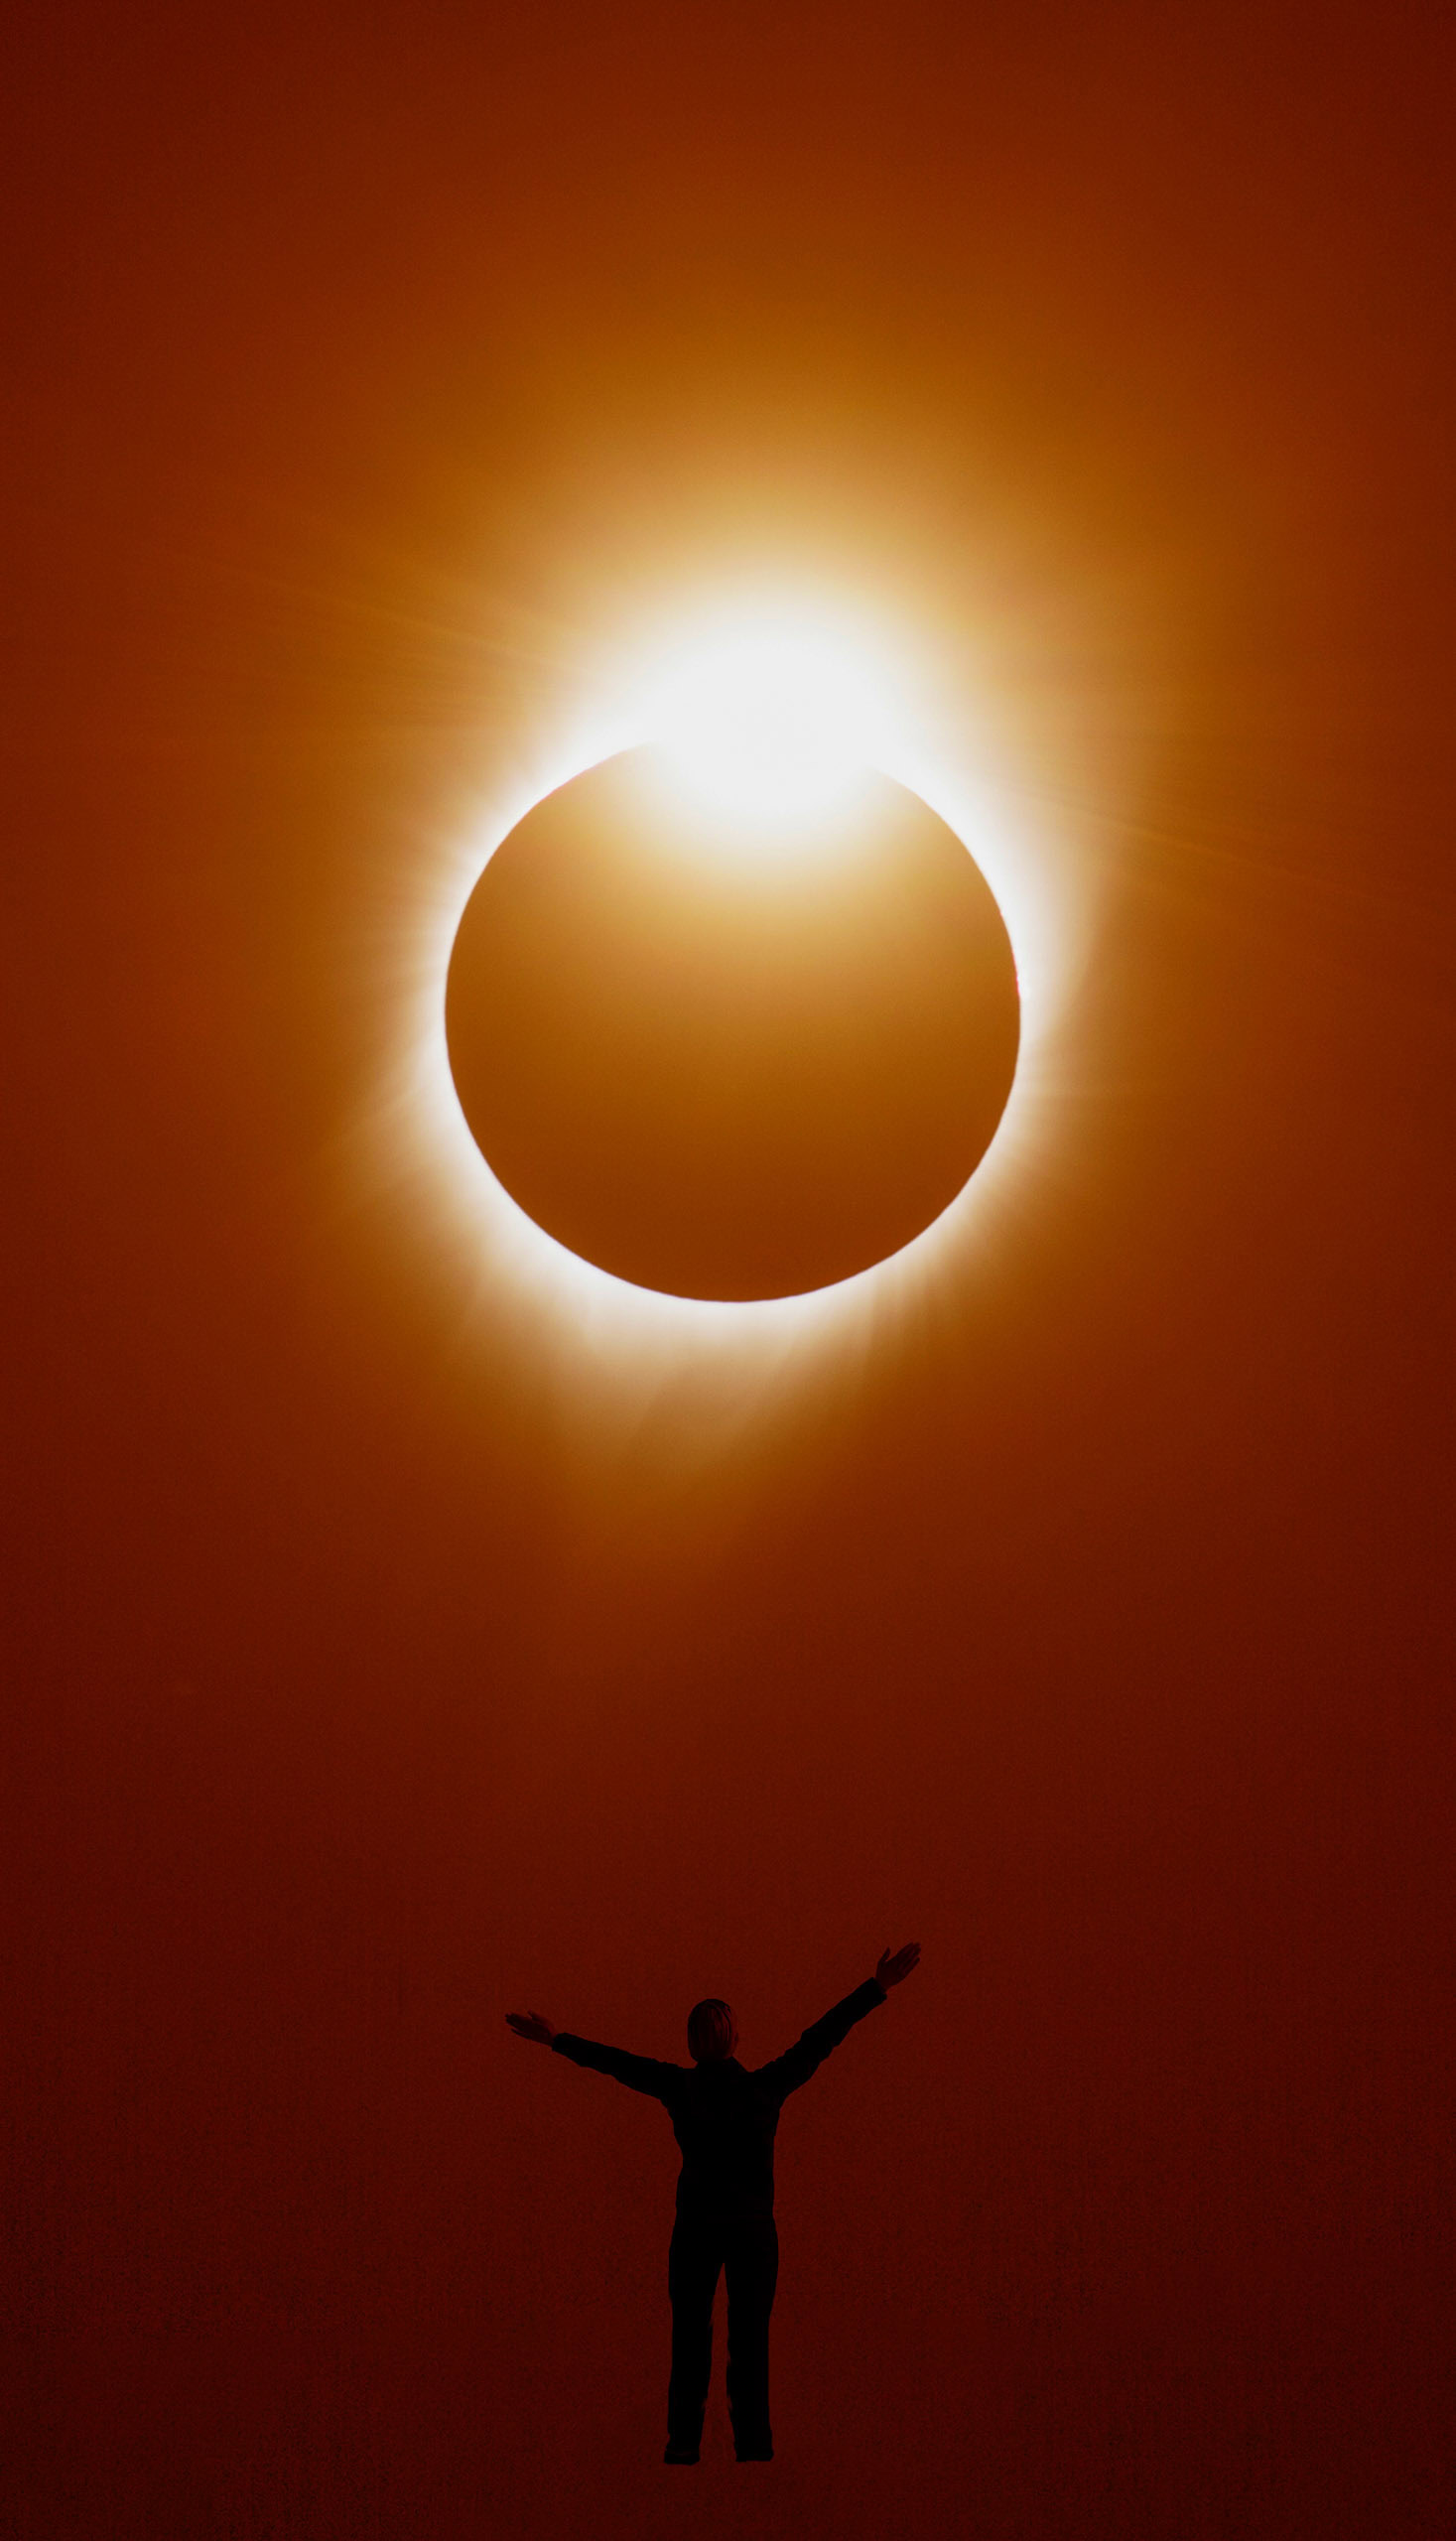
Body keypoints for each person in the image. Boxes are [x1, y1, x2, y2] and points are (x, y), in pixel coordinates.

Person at [506, 1942, 921, 2465]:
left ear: (691, 2042)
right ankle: (753, 2444)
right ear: (735, 2039)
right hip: (752, 2230)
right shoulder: (763, 2089)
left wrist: (557, 2039)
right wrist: (876, 1987)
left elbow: (616, 2063)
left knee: (689, 2338)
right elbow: (820, 2039)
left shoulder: (680, 2087)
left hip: (696, 2228)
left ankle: (683, 2444)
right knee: (750, 2340)